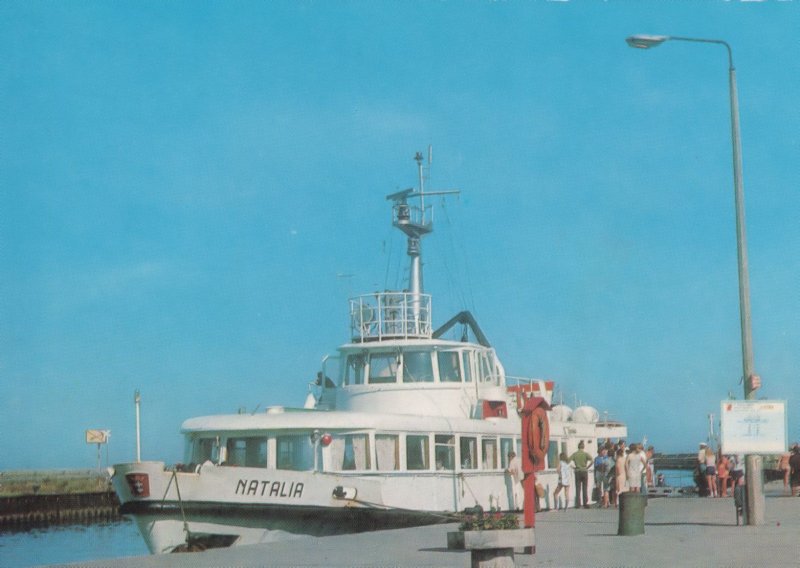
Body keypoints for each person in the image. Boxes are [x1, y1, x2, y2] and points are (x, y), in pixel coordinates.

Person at [569, 441, 592, 509]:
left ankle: (578, 504)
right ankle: (585, 503)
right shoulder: (585, 454)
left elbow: (568, 461)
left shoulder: (575, 454)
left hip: (577, 471)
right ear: (583, 447)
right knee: (585, 488)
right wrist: (587, 467)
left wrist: (573, 467)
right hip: (584, 471)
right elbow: (592, 460)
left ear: (578, 447)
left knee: (578, 488)